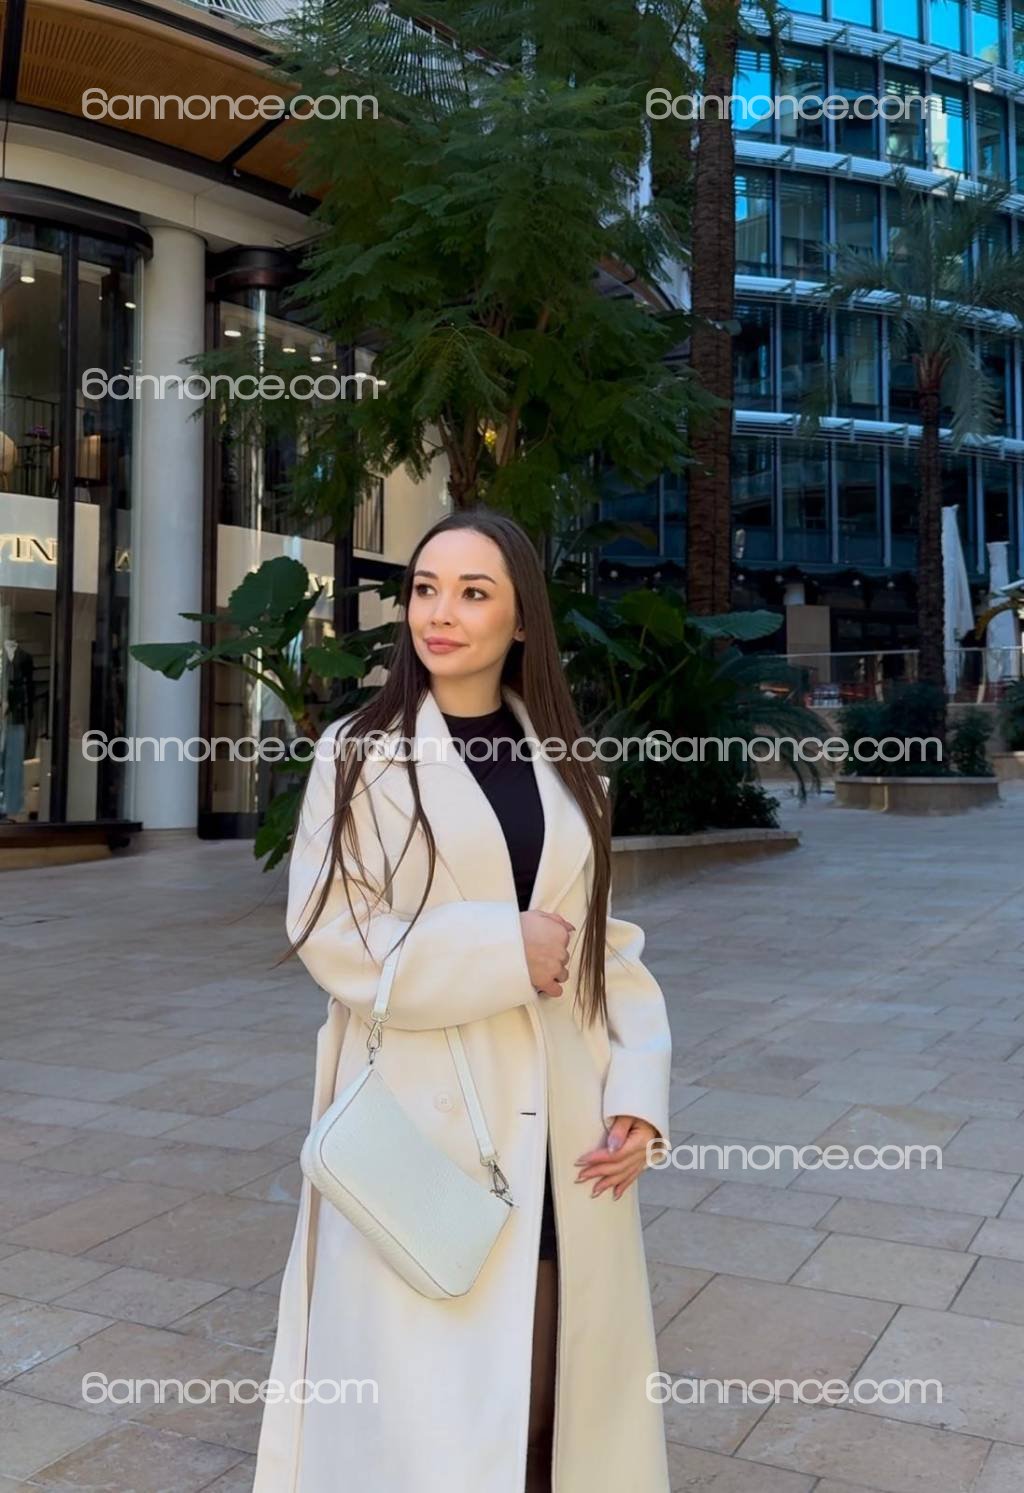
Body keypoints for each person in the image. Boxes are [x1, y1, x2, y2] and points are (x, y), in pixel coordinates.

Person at [252, 507, 673, 1493]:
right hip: (422, 1124)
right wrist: (498, 947)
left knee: (559, 1396)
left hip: (563, 1119)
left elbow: (604, 943)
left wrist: (637, 1093)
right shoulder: (359, 752)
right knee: (427, 1416)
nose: (439, 613)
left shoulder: (567, 757)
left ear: (521, 619)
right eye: (425, 589)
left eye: (473, 592)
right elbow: (329, 931)